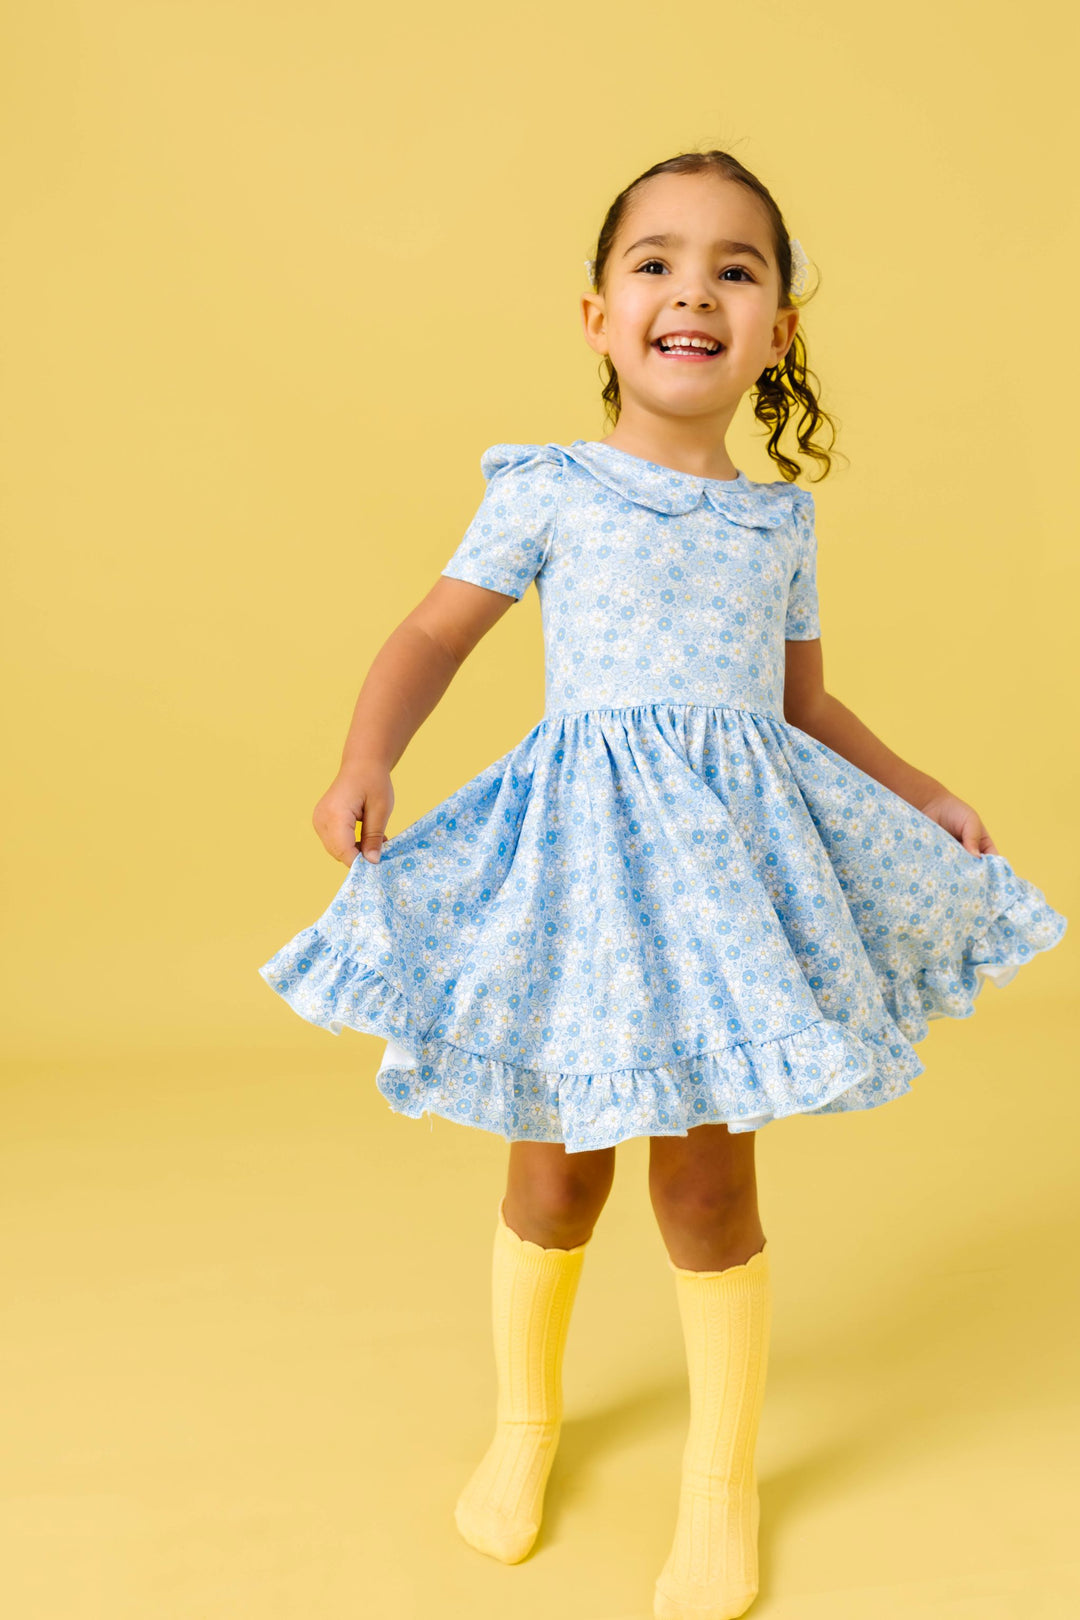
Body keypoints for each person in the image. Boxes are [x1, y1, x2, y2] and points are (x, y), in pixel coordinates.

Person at [257, 148, 1068, 1620]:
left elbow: (806, 708)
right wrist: (365, 755)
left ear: (777, 332)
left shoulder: (777, 525)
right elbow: (434, 636)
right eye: (657, 261)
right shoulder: (550, 487)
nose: (693, 287)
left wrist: (924, 792)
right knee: (556, 1167)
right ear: (596, 316)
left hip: (721, 888)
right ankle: (526, 1427)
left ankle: (719, 1484)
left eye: (736, 267)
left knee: (705, 1183)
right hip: (580, 867)